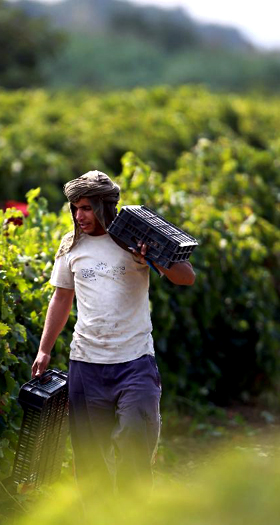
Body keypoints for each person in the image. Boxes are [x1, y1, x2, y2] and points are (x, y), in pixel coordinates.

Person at [31, 170, 195, 496]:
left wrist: (154, 259)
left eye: (87, 208)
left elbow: (186, 277)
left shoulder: (136, 239)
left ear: (105, 206)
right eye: (75, 208)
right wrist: (44, 349)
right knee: (90, 463)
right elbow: (62, 297)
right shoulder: (70, 247)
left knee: (135, 449)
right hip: (86, 364)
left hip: (134, 363)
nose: (80, 216)